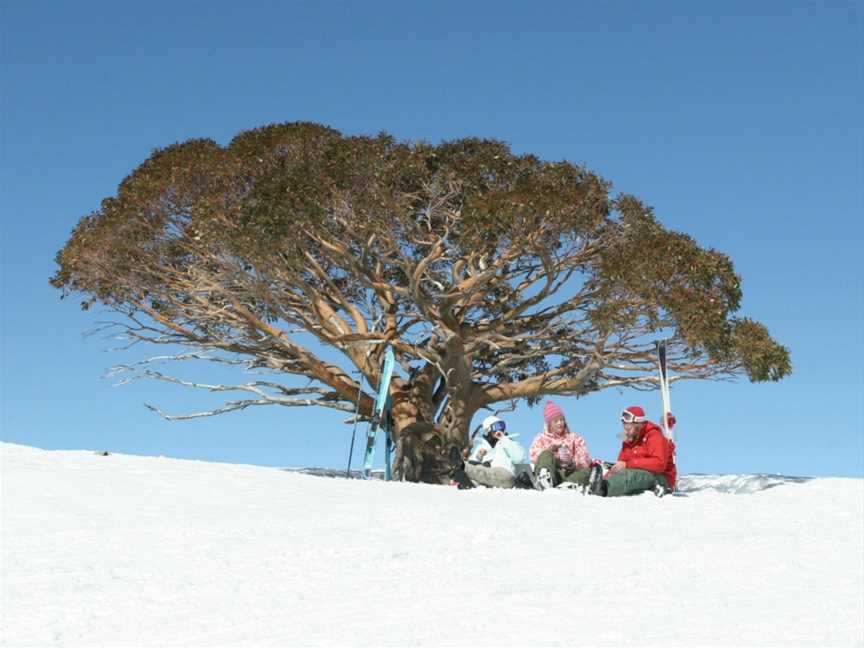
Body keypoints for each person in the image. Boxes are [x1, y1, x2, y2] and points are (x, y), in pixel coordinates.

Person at [587, 406, 677, 497]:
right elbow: (620, 465)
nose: (626, 431)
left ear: (639, 424)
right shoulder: (628, 439)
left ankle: (604, 489)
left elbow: (659, 464)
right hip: (640, 476)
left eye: (629, 428)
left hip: (662, 479)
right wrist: (606, 478)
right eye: (624, 426)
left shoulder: (654, 436)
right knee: (627, 473)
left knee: (634, 475)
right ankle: (592, 485)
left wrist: (628, 465)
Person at [529, 401, 592, 489]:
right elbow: (533, 455)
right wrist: (553, 454)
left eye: (562, 420)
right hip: (554, 472)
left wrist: (573, 463)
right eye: (556, 421)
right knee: (546, 454)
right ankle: (544, 479)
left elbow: (584, 456)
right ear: (549, 424)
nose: (560, 423)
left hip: (569, 474)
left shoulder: (574, 437)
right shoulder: (541, 438)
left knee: (587, 471)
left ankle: (567, 485)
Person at [461, 415, 529, 489]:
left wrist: (504, 439)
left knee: (480, 472)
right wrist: (479, 456)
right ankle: (470, 483)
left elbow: (519, 458)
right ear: (489, 430)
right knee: (479, 474)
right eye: (497, 426)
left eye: (502, 426)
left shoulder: (508, 442)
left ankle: (462, 467)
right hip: (486, 476)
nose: (501, 429)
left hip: (504, 474)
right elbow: (473, 462)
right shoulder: (482, 446)